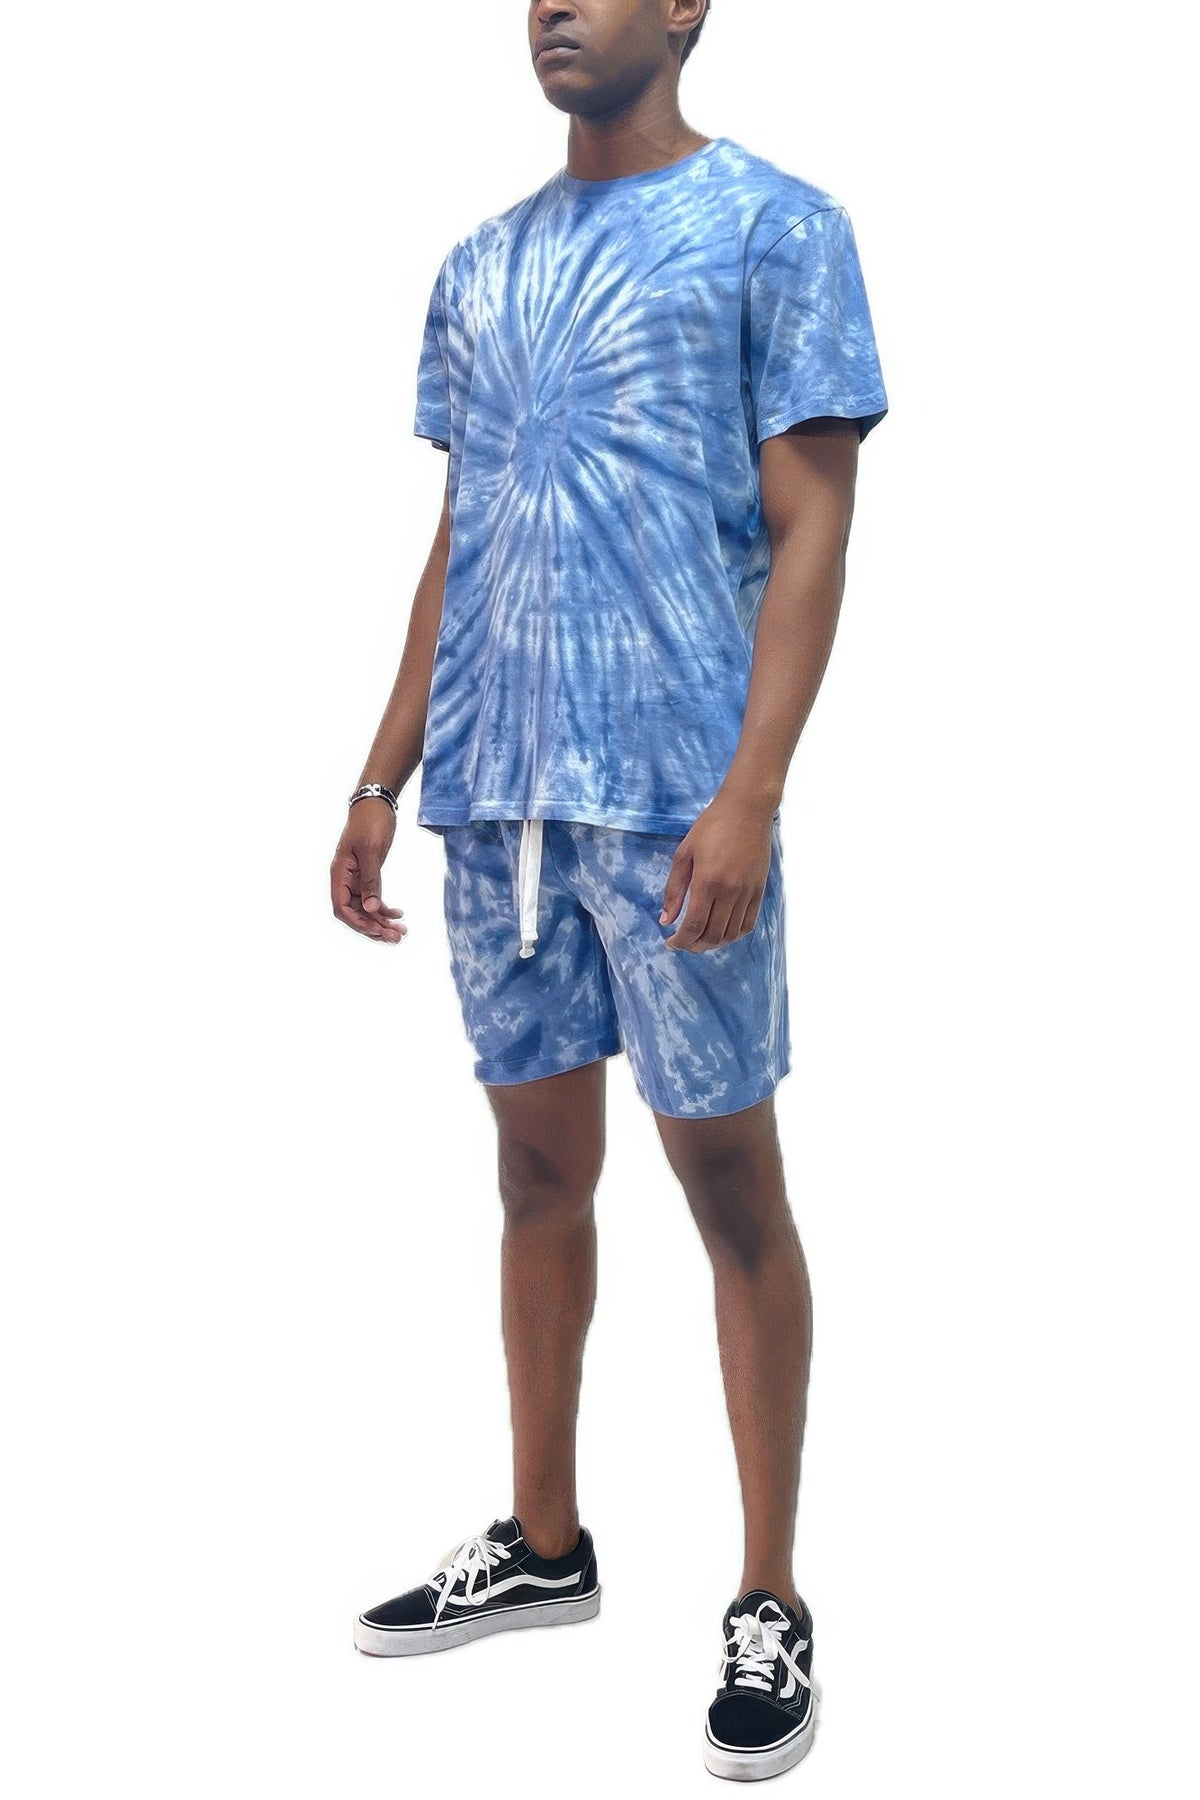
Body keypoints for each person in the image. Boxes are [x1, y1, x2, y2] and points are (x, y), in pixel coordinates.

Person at [329, 0, 888, 1781]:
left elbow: (812, 523)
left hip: (673, 809)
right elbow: (466, 527)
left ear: (689, 4)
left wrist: (752, 790)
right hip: (496, 804)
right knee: (533, 1172)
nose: (554, 8)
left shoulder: (777, 228)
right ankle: (545, 1541)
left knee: (730, 1184)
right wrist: (382, 770)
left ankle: (771, 1596)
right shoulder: (479, 264)